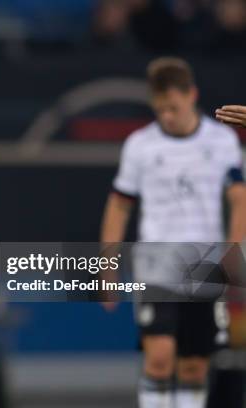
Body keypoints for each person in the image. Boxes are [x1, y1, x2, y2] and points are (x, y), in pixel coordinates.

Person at [100, 57, 246, 408]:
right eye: (160, 108)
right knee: (160, 355)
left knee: (195, 365)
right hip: (157, 264)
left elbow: (239, 200)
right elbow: (120, 204)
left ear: (191, 95)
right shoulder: (140, 145)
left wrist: (233, 255)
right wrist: (107, 264)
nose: (166, 115)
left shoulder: (222, 140)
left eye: (173, 108)